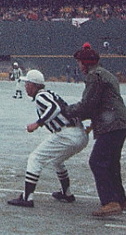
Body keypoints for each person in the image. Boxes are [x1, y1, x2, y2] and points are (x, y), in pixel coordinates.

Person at [63, 43, 126, 217]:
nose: (78, 66)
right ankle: (120, 199)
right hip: (120, 123)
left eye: (79, 63)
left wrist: (66, 111)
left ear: (85, 63)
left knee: (97, 162)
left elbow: (88, 105)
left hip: (112, 124)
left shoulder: (94, 76)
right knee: (111, 163)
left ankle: (110, 202)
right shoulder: (105, 74)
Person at [6, 69, 88, 207]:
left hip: (67, 134)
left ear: (34, 85)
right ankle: (66, 193)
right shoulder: (49, 94)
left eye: (27, 84)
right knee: (57, 161)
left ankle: (27, 198)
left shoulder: (40, 96)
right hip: (79, 134)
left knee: (35, 158)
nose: (26, 87)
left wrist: (37, 124)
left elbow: (54, 108)